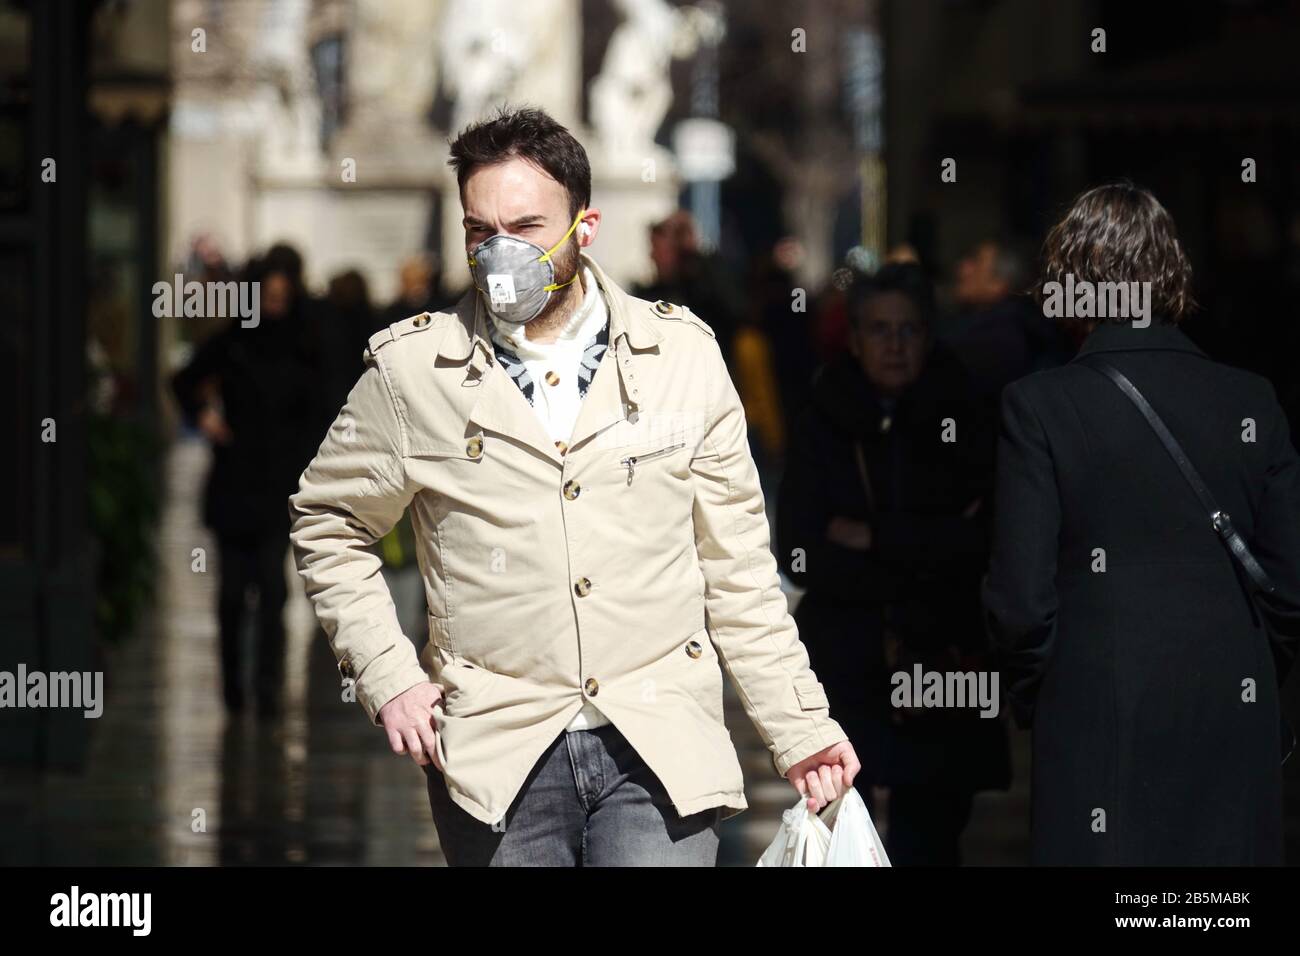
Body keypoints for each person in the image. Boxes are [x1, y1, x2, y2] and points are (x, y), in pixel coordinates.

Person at [288, 105, 858, 867]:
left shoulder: (681, 358)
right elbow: (327, 520)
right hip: (497, 762)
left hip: (661, 755)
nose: (499, 254)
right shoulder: (413, 373)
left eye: (525, 227)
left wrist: (799, 727)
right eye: (478, 232)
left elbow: (739, 574)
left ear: (583, 227)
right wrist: (388, 675)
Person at [982, 182, 1300, 865]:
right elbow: (1292, 581)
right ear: (1171, 273)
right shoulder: (1252, 399)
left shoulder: (1037, 407)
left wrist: (1052, 688)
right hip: (1231, 710)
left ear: (1073, 281)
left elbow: (1019, 601)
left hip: (1097, 713)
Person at [778, 262, 1009, 865]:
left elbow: (980, 541)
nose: (894, 345)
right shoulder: (823, 418)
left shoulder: (965, 415)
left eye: (908, 330)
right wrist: (921, 548)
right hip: (848, 655)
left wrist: (873, 537)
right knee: (839, 823)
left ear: (929, 336)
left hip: (944, 650)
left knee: (931, 832)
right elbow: (800, 551)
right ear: (854, 339)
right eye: (879, 330)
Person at [172, 254, 322, 718]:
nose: (276, 304)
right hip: (235, 484)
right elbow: (181, 381)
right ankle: (235, 689)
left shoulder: (303, 347)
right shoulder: (233, 342)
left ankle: (268, 685)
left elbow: (322, 408)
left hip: (280, 486)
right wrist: (205, 419)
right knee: (233, 593)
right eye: (269, 296)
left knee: (273, 592)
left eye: (282, 296)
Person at [941, 238, 1071, 413]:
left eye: (976, 262)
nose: (962, 268)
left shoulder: (1001, 337)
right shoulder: (1014, 325)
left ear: (998, 285)